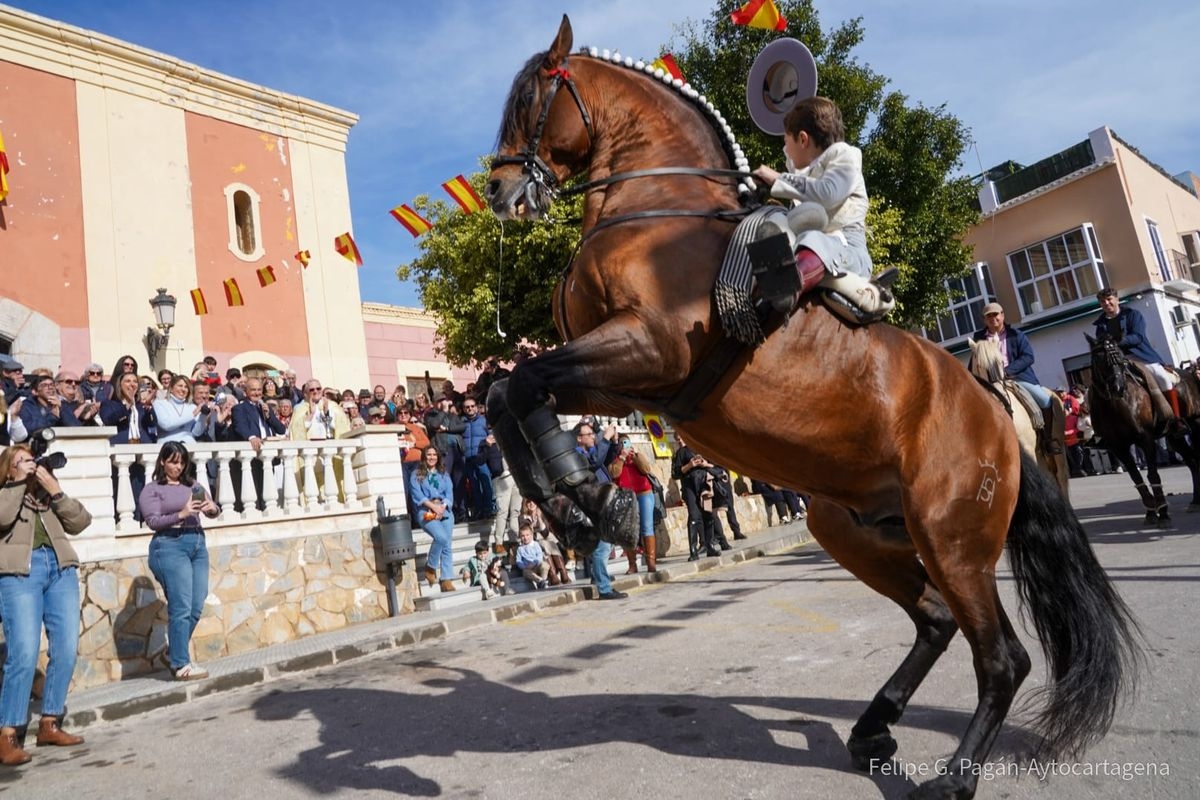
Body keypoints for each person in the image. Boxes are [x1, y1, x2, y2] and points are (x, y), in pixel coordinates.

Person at [750, 96, 894, 318]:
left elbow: (828, 193)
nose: (785, 149)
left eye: (786, 141)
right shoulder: (805, 175)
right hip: (809, 246)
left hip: (847, 251)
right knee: (775, 222)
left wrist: (777, 179)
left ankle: (788, 285)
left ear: (803, 139)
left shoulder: (847, 155)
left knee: (813, 240)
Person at [0, 444, 91, 764]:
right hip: (20, 574)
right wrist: (15, 485)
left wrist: (57, 491)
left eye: (32, 460)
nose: (30, 465)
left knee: (66, 648)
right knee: (23, 651)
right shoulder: (6, 493)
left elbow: (81, 522)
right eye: (21, 461)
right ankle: (8, 733)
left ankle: (50, 722)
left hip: (60, 570)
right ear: (9, 469)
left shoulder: (48, 500)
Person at [138, 442, 219, 681]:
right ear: (162, 461)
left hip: (196, 543)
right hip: (170, 545)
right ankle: (181, 664)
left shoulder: (192, 484)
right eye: (173, 461)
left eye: (182, 462)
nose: (178, 466)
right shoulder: (152, 489)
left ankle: (174, 652)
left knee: (196, 604)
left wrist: (211, 508)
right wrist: (182, 514)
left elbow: (213, 510)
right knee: (181, 607)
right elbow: (152, 521)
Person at [970, 302, 1062, 453]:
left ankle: (1047, 439)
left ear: (1002, 315)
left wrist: (1007, 371)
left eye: (995, 314)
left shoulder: (1016, 334)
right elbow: (974, 361)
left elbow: (1028, 357)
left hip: (1017, 377)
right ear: (984, 320)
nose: (993, 318)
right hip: (989, 380)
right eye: (989, 316)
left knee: (1044, 400)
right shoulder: (978, 338)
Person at [1094, 287, 1183, 428]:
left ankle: (1176, 420)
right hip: (1117, 360)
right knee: (1096, 388)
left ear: (1117, 299)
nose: (1106, 303)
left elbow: (1138, 337)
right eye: (1103, 301)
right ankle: (1102, 431)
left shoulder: (1132, 314)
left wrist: (1117, 341)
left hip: (1141, 356)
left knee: (1163, 378)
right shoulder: (1100, 324)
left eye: (1109, 299)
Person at [573, 420, 626, 600]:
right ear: (579, 438)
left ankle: (598, 577)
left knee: (606, 542)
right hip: (593, 503)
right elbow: (595, 462)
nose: (593, 436)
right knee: (602, 547)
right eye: (589, 434)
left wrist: (613, 441)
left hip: (603, 501)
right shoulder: (578, 455)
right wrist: (605, 438)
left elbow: (608, 458)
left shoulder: (592, 451)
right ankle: (604, 588)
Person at [409, 445, 456, 592]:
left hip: (444, 510)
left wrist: (443, 506)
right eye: (428, 454)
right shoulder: (416, 474)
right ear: (424, 456)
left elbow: (449, 493)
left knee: (447, 544)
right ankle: (431, 566)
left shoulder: (444, 473)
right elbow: (418, 495)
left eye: (434, 454)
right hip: (426, 511)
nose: (431, 457)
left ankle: (446, 579)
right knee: (441, 537)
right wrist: (433, 507)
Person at [608, 436, 657, 574]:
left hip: (644, 493)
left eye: (626, 442)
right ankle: (632, 565)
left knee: (647, 528)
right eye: (621, 443)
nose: (624, 445)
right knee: (628, 531)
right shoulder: (614, 458)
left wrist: (635, 456)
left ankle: (651, 562)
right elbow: (615, 473)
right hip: (626, 496)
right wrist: (622, 458)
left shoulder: (637, 455)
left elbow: (646, 469)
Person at [672, 433, 724, 560]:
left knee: (708, 515)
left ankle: (710, 546)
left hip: (704, 485)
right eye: (677, 439)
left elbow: (717, 466)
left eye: (681, 438)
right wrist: (690, 465)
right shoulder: (680, 453)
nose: (680, 441)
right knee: (694, 517)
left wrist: (704, 463)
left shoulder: (701, 448)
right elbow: (675, 474)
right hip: (689, 486)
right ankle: (693, 550)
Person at [153, 376, 206, 444]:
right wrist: (193, 414)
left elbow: (196, 433)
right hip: (167, 447)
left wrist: (203, 415)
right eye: (180, 386)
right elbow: (166, 425)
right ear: (171, 388)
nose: (183, 389)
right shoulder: (159, 404)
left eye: (186, 387)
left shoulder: (192, 407)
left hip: (189, 447)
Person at [514, 523, 550, 589]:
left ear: (531, 535)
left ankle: (543, 580)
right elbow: (518, 561)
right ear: (520, 537)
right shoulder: (520, 548)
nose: (525, 538)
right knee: (525, 572)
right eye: (523, 536)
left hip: (537, 565)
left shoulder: (535, 544)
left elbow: (539, 555)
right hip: (528, 568)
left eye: (527, 535)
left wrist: (534, 563)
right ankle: (540, 581)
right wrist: (524, 566)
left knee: (545, 565)